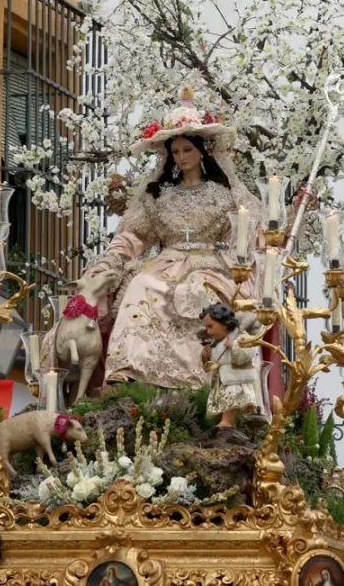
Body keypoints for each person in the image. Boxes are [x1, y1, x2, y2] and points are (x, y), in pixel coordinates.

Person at [81, 89, 263, 389]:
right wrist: (110, 260)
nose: (181, 157)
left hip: (210, 268)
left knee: (200, 294)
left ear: (202, 150)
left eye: (187, 150)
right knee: (140, 285)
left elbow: (243, 237)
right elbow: (133, 235)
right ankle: (130, 370)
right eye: (176, 152)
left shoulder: (226, 196)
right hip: (165, 264)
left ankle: (199, 379)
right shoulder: (160, 197)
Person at [200, 303, 263, 429]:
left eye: (211, 326)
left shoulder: (241, 337)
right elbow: (213, 363)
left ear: (224, 323)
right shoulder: (215, 343)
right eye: (206, 328)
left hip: (235, 379)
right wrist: (205, 357)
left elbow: (249, 353)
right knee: (223, 402)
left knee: (229, 400)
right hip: (222, 379)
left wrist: (234, 346)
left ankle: (226, 421)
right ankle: (230, 425)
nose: (208, 331)